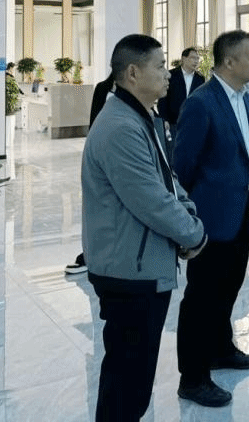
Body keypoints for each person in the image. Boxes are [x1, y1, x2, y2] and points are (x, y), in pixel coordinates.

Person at [81, 34, 207, 421]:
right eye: (160, 65)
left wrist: (188, 213)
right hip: (128, 271)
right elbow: (150, 199)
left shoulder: (141, 116)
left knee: (134, 377)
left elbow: (166, 179)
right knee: (127, 382)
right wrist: (194, 234)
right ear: (133, 73)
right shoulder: (120, 125)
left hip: (140, 262)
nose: (168, 73)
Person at [173, 29, 249, 408]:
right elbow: (183, 166)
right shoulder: (202, 102)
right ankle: (193, 377)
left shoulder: (245, 98)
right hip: (211, 217)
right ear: (229, 61)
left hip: (242, 209)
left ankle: (221, 349)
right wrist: (189, 219)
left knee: (229, 286)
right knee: (202, 297)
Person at [66, 71, 117, 277]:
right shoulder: (103, 88)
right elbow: (94, 120)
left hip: (120, 153)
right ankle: (89, 254)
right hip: (102, 152)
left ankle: (106, 253)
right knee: (97, 207)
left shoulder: (134, 93)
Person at [158, 47, 205, 127]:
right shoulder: (171, 75)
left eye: (197, 58)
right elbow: (163, 99)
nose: (196, 61)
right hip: (173, 123)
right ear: (183, 59)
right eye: (193, 58)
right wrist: (164, 119)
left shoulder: (200, 79)